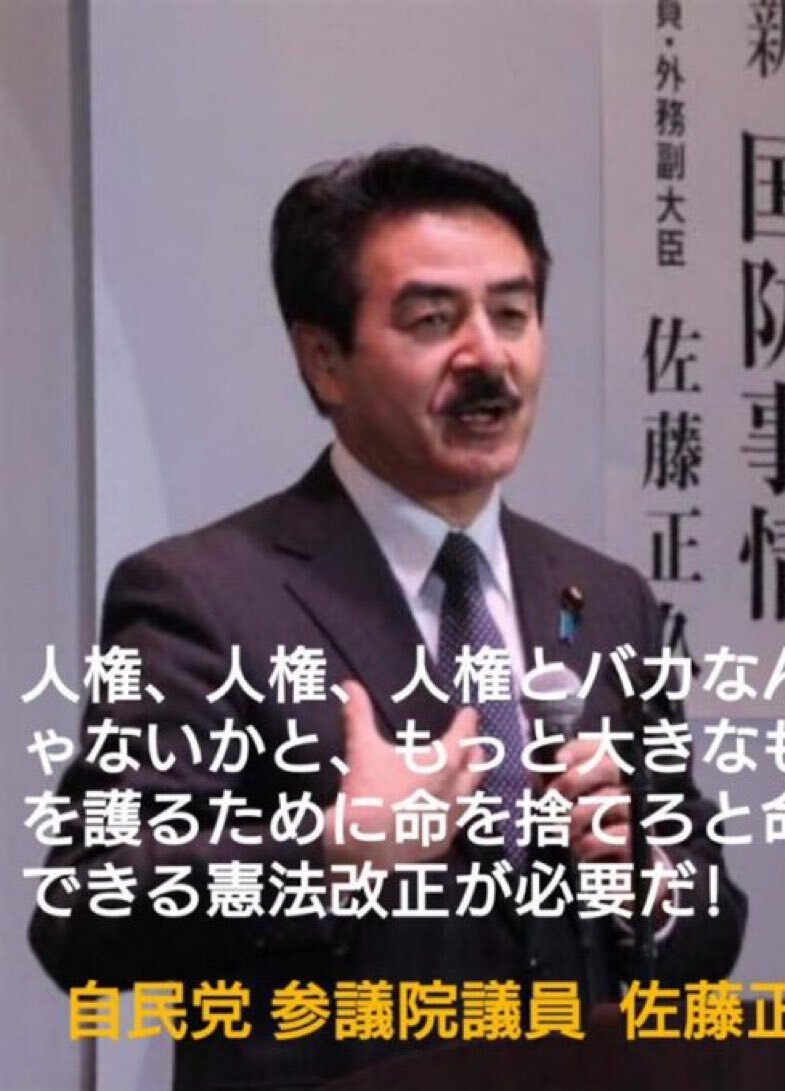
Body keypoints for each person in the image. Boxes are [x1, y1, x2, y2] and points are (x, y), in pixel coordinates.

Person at [30, 146, 746, 1089]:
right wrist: (336, 848)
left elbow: (710, 917)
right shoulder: (201, 596)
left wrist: (642, 876)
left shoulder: (606, 598)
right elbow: (85, 912)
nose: (487, 357)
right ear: (324, 360)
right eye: (432, 320)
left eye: (512, 313)